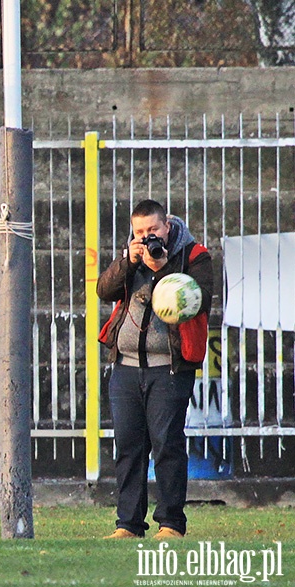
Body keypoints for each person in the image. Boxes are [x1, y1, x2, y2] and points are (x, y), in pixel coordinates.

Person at [96, 199, 213, 541]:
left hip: (170, 368)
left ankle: (171, 523)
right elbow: (104, 290)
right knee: (129, 447)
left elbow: (200, 300)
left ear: (167, 226)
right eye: (140, 233)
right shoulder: (131, 255)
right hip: (126, 366)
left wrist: (161, 268)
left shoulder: (193, 255)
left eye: (153, 230)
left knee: (167, 445)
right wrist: (127, 262)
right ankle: (128, 524)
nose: (148, 238)